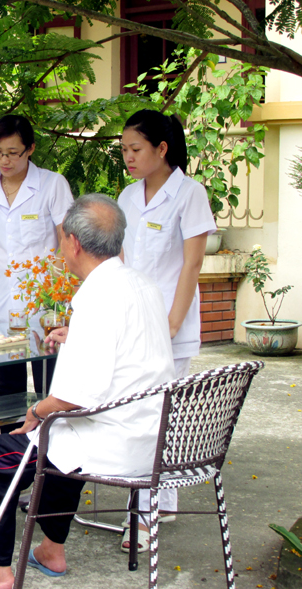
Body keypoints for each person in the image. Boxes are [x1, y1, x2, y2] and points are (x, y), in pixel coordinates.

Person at [0, 194, 175, 589]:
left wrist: (36, 409)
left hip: (113, 441)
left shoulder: (97, 295)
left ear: (73, 243)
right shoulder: (142, 284)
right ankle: (51, 550)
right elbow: (131, 347)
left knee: (1, 454)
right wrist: (78, 335)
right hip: (152, 440)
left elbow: (77, 396)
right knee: (58, 442)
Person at [117, 109, 216, 552]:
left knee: (156, 417)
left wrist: (172, 323)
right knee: (141, 414)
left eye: (136, 149)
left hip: (169, 324)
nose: (128, 157)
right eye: (123, 150)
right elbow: (119, 264)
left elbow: (191, 264)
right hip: (132, 322)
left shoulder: (189, 194)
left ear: (162, 149)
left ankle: (144, 515)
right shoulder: (126, 197)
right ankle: (160, 501)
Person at [0, 115, 74, 434]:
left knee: (49, 389)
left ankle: (48, 464)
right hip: (0, 303)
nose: (4, 160)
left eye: (13, 152)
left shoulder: (53, 185)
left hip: (45, 305)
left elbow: (66, 244)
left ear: (31, 149)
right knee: (7, 390)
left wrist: (64, 304)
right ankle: (11, 460)